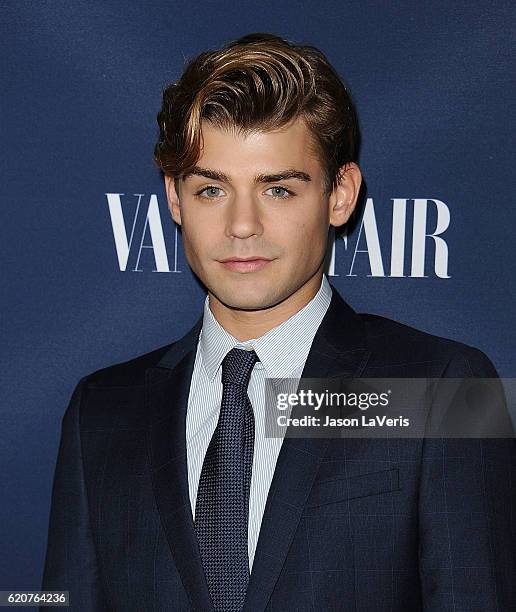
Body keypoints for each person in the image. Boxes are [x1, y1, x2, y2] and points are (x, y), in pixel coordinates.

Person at [41, 33, 515, 611]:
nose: (242, 224)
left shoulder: (446, 389)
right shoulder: (101, 411)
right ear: (174, 199)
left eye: (279, 189)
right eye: (212, 188)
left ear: (340, 195)